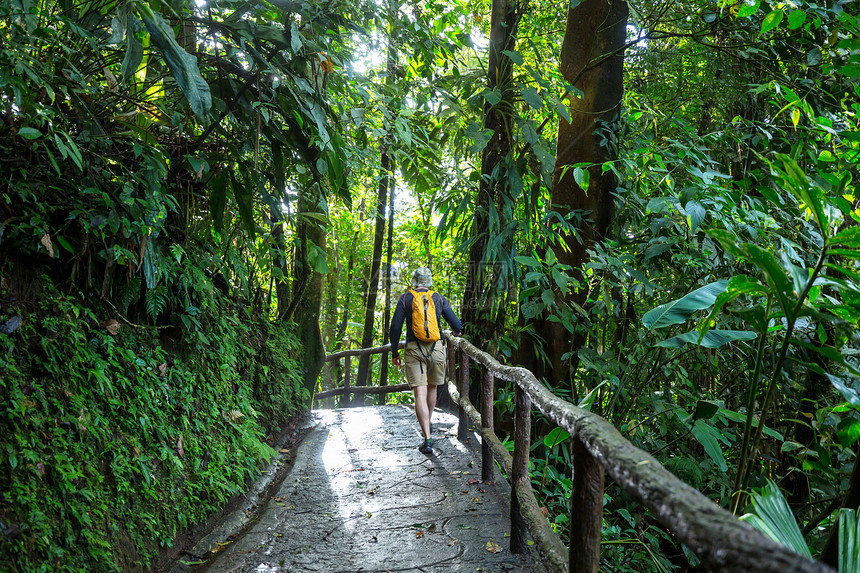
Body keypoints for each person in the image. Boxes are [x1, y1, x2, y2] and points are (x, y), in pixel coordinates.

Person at [389, 267, 462, 454]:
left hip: (414, 349)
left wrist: (394, 352)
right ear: (429, 281)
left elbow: (395, 327)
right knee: (432, 388)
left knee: (419, 394)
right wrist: (456, 332)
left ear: (414, 281)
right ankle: (427, 429)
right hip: (436, 348)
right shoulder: (437, 298)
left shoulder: (406, 299)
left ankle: (427, 437)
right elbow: (456, 324)